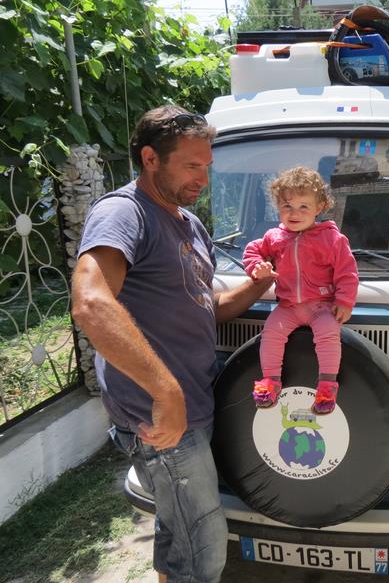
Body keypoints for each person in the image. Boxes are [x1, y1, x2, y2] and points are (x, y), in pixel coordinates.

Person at [71, 105, 271, 583]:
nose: (203, 178)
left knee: (178, 532)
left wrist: (260, 285)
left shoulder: (189, 224)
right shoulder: (124, 212)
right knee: (202, 552)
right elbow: (91, 303)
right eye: (191, 165)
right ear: (150, 159)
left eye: (207, 166)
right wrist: (166, 392)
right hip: (161, 418)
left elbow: (205, 305)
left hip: (192, 404)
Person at [242, 166, 358, 414]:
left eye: (303, 206)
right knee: (271, 334)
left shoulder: (332, 239)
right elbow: (253, 251)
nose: (294, 213)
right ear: (278, 207)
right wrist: (257, 267)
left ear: (319, 207)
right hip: (288, 307)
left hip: (322, 305)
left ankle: (327, 387)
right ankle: (270, 382)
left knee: (328, 334)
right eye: (287, 206)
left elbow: (347, 271)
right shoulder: (274, 236)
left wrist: (345, 301)